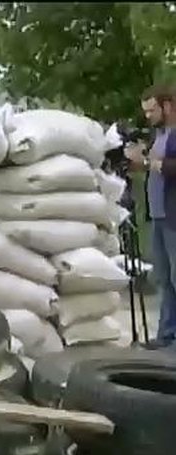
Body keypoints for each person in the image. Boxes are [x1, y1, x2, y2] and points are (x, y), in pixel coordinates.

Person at [126, 85, 176, 348]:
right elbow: (153, 168)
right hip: (159, 216)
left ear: (167, 106)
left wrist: (151, 163)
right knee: (164, 279)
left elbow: (164, 167)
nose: (147, 116)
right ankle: (167, 336)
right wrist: (136, 161)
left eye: (151, 110)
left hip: (173, 217)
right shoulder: (160, 135)